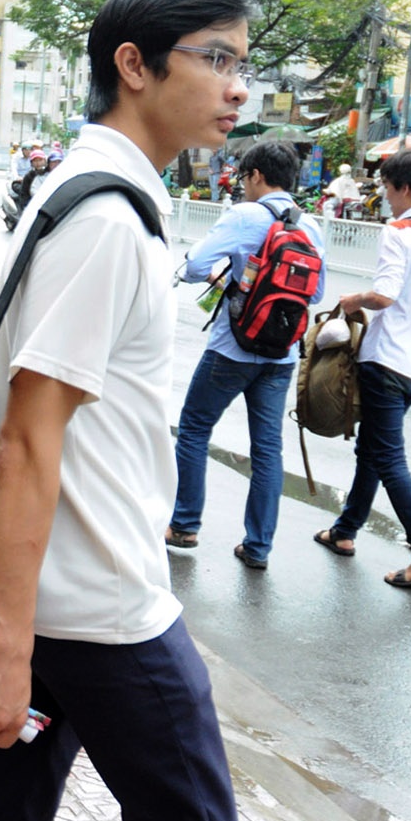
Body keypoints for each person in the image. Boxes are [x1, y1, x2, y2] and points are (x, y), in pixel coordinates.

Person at [0, 0, 252, 821]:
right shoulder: (105, 216)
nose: (237, 87)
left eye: (242, 63)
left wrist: (19, 639)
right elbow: (29, 437)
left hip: (62, 588)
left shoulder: (105, 194)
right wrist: (9, 647)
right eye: (217, 58)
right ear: (135, 65)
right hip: (102, 600)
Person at [312, 148, 411, 588]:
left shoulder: (399, 232)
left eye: (385, 187)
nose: (384, 196)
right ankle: (344, 531)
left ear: (403, 188)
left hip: (388, 360)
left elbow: (383, 295)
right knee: (374, 450)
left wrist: (351, 301)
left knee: (387, 456)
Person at [166, 141, 327, 566]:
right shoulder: (311, 227)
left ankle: (184, 525)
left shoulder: (244, 215)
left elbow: (197, 266)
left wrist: (235, 273)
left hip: (232, 347)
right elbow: (319, 292)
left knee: (196, 428)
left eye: (243, 178)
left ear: (256, 175)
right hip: (283, 354)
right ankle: (258, 547)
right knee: (268, 450)